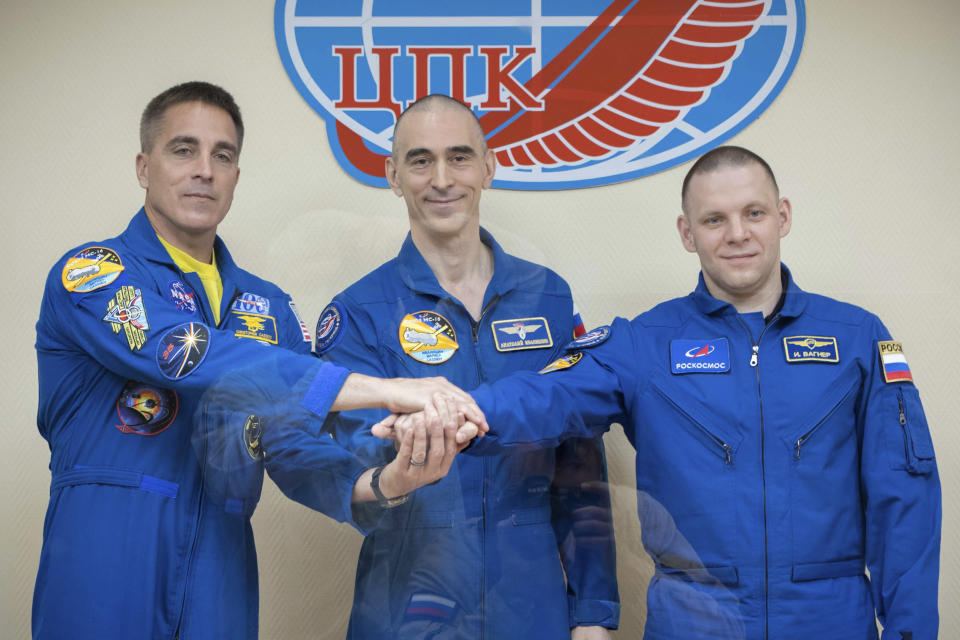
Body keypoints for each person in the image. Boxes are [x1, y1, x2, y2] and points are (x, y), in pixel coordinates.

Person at [382, 146, 942, 639]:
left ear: (783, 216)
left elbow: (906, 502)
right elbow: (548, 394)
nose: (738, 234)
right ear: (687, 232)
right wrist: (460, 410)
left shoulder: (858, 338)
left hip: (830, 616)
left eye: (754, 213)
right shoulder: (643, 343)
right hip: (693, 616)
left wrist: (910, 631)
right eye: (715, 219)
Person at [32, 81, 484, 640]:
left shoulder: (266, 307)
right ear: (144, 166)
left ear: (236, 178)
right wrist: (387, 388)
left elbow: (293, 444)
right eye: (183, 149)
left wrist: (386, 480)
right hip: (107, 549)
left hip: (221, 558)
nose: (204, 169)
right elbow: (186, 354)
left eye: (222, 156)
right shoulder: (94, 274)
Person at [311, 94, 619, 638]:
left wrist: (593, 610)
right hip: (408, 596)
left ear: (488, 167)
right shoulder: (357, 311)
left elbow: (580, 463)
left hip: (531, 597)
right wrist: (407, 441)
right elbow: (357, 466)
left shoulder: (547, 295)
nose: (441, 178)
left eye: (459, 156)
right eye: (420, 159)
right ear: (393, 174)